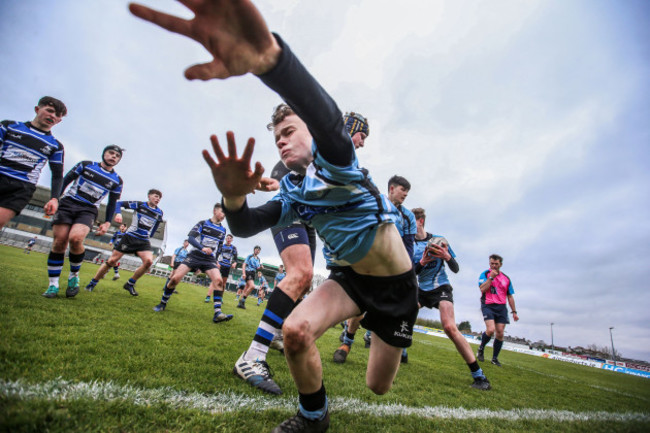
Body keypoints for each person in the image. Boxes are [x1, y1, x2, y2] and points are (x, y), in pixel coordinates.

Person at [129, 3, 421, 430]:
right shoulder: (292, 189)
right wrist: (231, 197)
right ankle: (312, 417)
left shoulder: (337, 161)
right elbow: (247, 225)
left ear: (312, 133)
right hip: (349, 280)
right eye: (277, 136)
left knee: (378, 385)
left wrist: (272, 61)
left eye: (289, 132)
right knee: (296, 332)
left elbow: (325, 116)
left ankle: (371, 345)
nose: (282, 142)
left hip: (397, 287)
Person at [234, 110, 368, 395]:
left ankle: (276, 334)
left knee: (305, 280)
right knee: (300, 273)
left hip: (307, 220)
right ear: (351, 128)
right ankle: (252, 357)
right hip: (292, 210)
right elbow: (282, 186)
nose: (363, 142)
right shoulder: (305, 155)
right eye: (362, 135)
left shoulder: (335, 161)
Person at [334, 174, 416, 364]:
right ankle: (346, 343)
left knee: (396, 309)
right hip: (369, 265)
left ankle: (398, 346)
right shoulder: (375, 204)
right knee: (358, 309)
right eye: (403, 190)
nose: (405, 194)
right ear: (392, 188)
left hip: (393, 270)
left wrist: (406, 271)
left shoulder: (408, 216)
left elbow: (409, 246)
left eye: (407, 191)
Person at [411, 207, 491, 390]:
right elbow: (411, 273)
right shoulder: (410, 244)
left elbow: (455, 269)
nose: (407, 224)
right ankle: (403, 351)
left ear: (420, 221)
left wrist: (447, 256)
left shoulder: (440, 240)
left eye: (411, 221)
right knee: (404, 313)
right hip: (421, 289)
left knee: (449, 326)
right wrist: (422, 262)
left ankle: (480, 377)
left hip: (441, 288)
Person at [42, 145, 124, 298]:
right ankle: (53, 285)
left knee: (76, 238)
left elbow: (112, 203)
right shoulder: (86, 165)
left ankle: (74, 275)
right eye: (111, 153)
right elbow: (65, 180)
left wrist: (107, 222)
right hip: (68, 204)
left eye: (117, 156)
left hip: (88, 210)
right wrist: (55, 198)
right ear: (103, 154)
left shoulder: (117, 181)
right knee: (59, 242)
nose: (113, 156)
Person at [153, 203, 233, 324]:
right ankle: (162, 303)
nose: (224, 215)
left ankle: (218, 313)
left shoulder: (223, 230)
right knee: (175, 279)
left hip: (209, 259)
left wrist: (216, 260)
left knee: (219, 281)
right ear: (215, 211)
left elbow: (219, 247)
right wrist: (202, 248)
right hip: (194, 256)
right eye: (222, 212)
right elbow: (191, 238)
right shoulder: (202, 223)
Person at [0, 97, 67, 230]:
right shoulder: (9, 126)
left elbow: (57, 175)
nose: (52, 116)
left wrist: (54, 198)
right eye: (50, 111)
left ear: (59, 120)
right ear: (37, 109)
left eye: (57, 115)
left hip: (21, 188)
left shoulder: (55, 146)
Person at [84, 189, 164, 295]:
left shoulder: (159, 212)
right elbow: (118, 203)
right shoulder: (139, 205)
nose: (157, 199)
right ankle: (92, 283)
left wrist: (151, 235)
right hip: (130, 237)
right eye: (156, 196)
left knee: (149, 262)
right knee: (112, 261)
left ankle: (130, 284)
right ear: (149, 196)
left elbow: (157, 225)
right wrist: (118, 214)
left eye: (159, 197)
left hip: (143, 240)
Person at [476, 254, 519, 367]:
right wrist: (491, 278)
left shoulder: (506, 278)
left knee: (500, 332)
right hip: (488, 305)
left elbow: (510, 296)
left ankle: (494, 358)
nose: (494, 266)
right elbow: (482, 289)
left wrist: (514, 312)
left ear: (501, 264)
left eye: (496, 264)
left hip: (501, 307)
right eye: (492, 263)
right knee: (490, 330)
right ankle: (481, 348)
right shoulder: (485, 274)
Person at [206, 233, 238, 302]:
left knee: (223, 283)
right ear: (226, 239)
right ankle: (208, 296)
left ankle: (220, 297)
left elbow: (235, 258)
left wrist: (234, 263)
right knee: (215, 280)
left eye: (230, 238)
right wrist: (217, 262)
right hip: (220, 265)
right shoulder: (221, 246)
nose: (228, 239)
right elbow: (216, 255)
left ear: (232, 240)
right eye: (227, 238)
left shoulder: (233, 248)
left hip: (227, 266)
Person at [236, 245, 262, 309]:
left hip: (253, 273)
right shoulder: (250, 256)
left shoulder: (258, 259)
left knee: (246, 289)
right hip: (248, 272)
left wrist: (260, 267)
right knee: (252, 286)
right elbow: (244, 264)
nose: (257, 251)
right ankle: (242, 300)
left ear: (259, 252)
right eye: (256, 249)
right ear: (254, 250)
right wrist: (244, 273)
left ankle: (240, 304)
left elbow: (257, 267)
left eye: (258, 250)